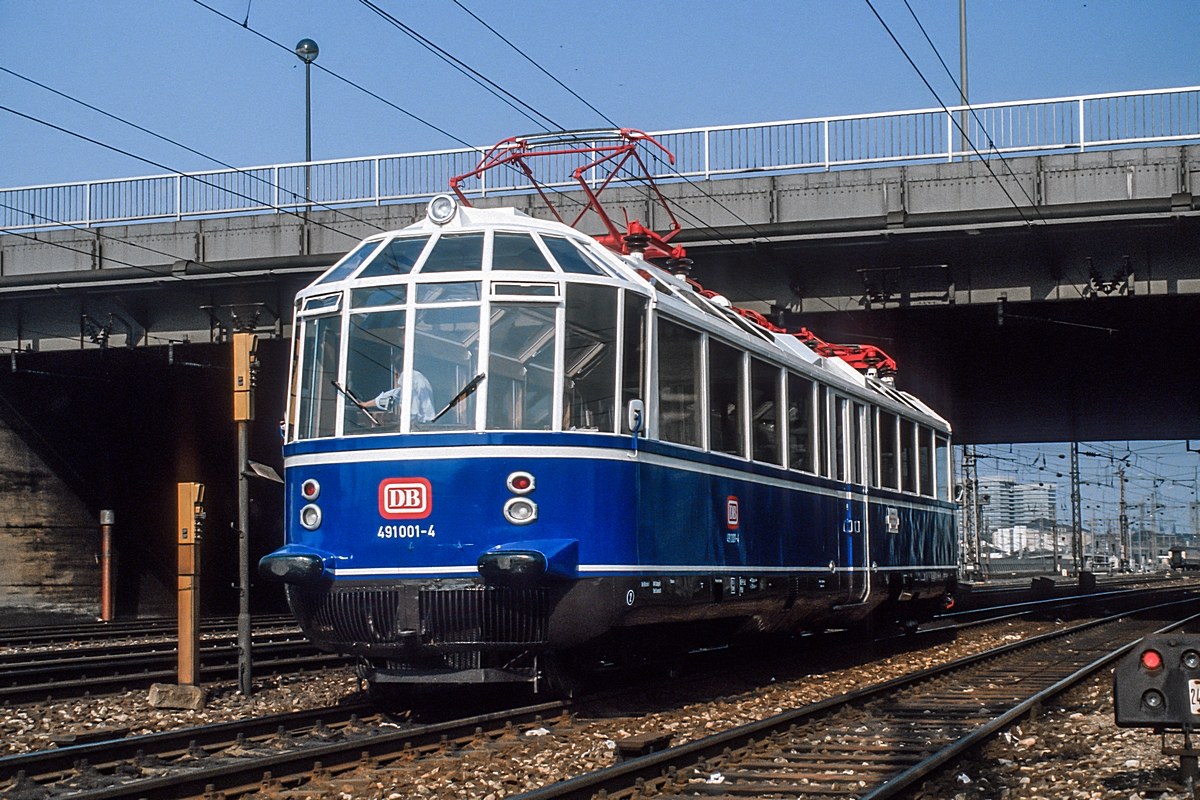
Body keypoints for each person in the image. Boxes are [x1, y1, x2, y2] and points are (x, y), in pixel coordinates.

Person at [362, 369, 435, 423]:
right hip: (425, 422)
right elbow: (393, 396)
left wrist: (365, 404)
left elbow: (395, 396)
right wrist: (366, 404)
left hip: (419, 424)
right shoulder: (417, 380)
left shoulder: (410, 375)